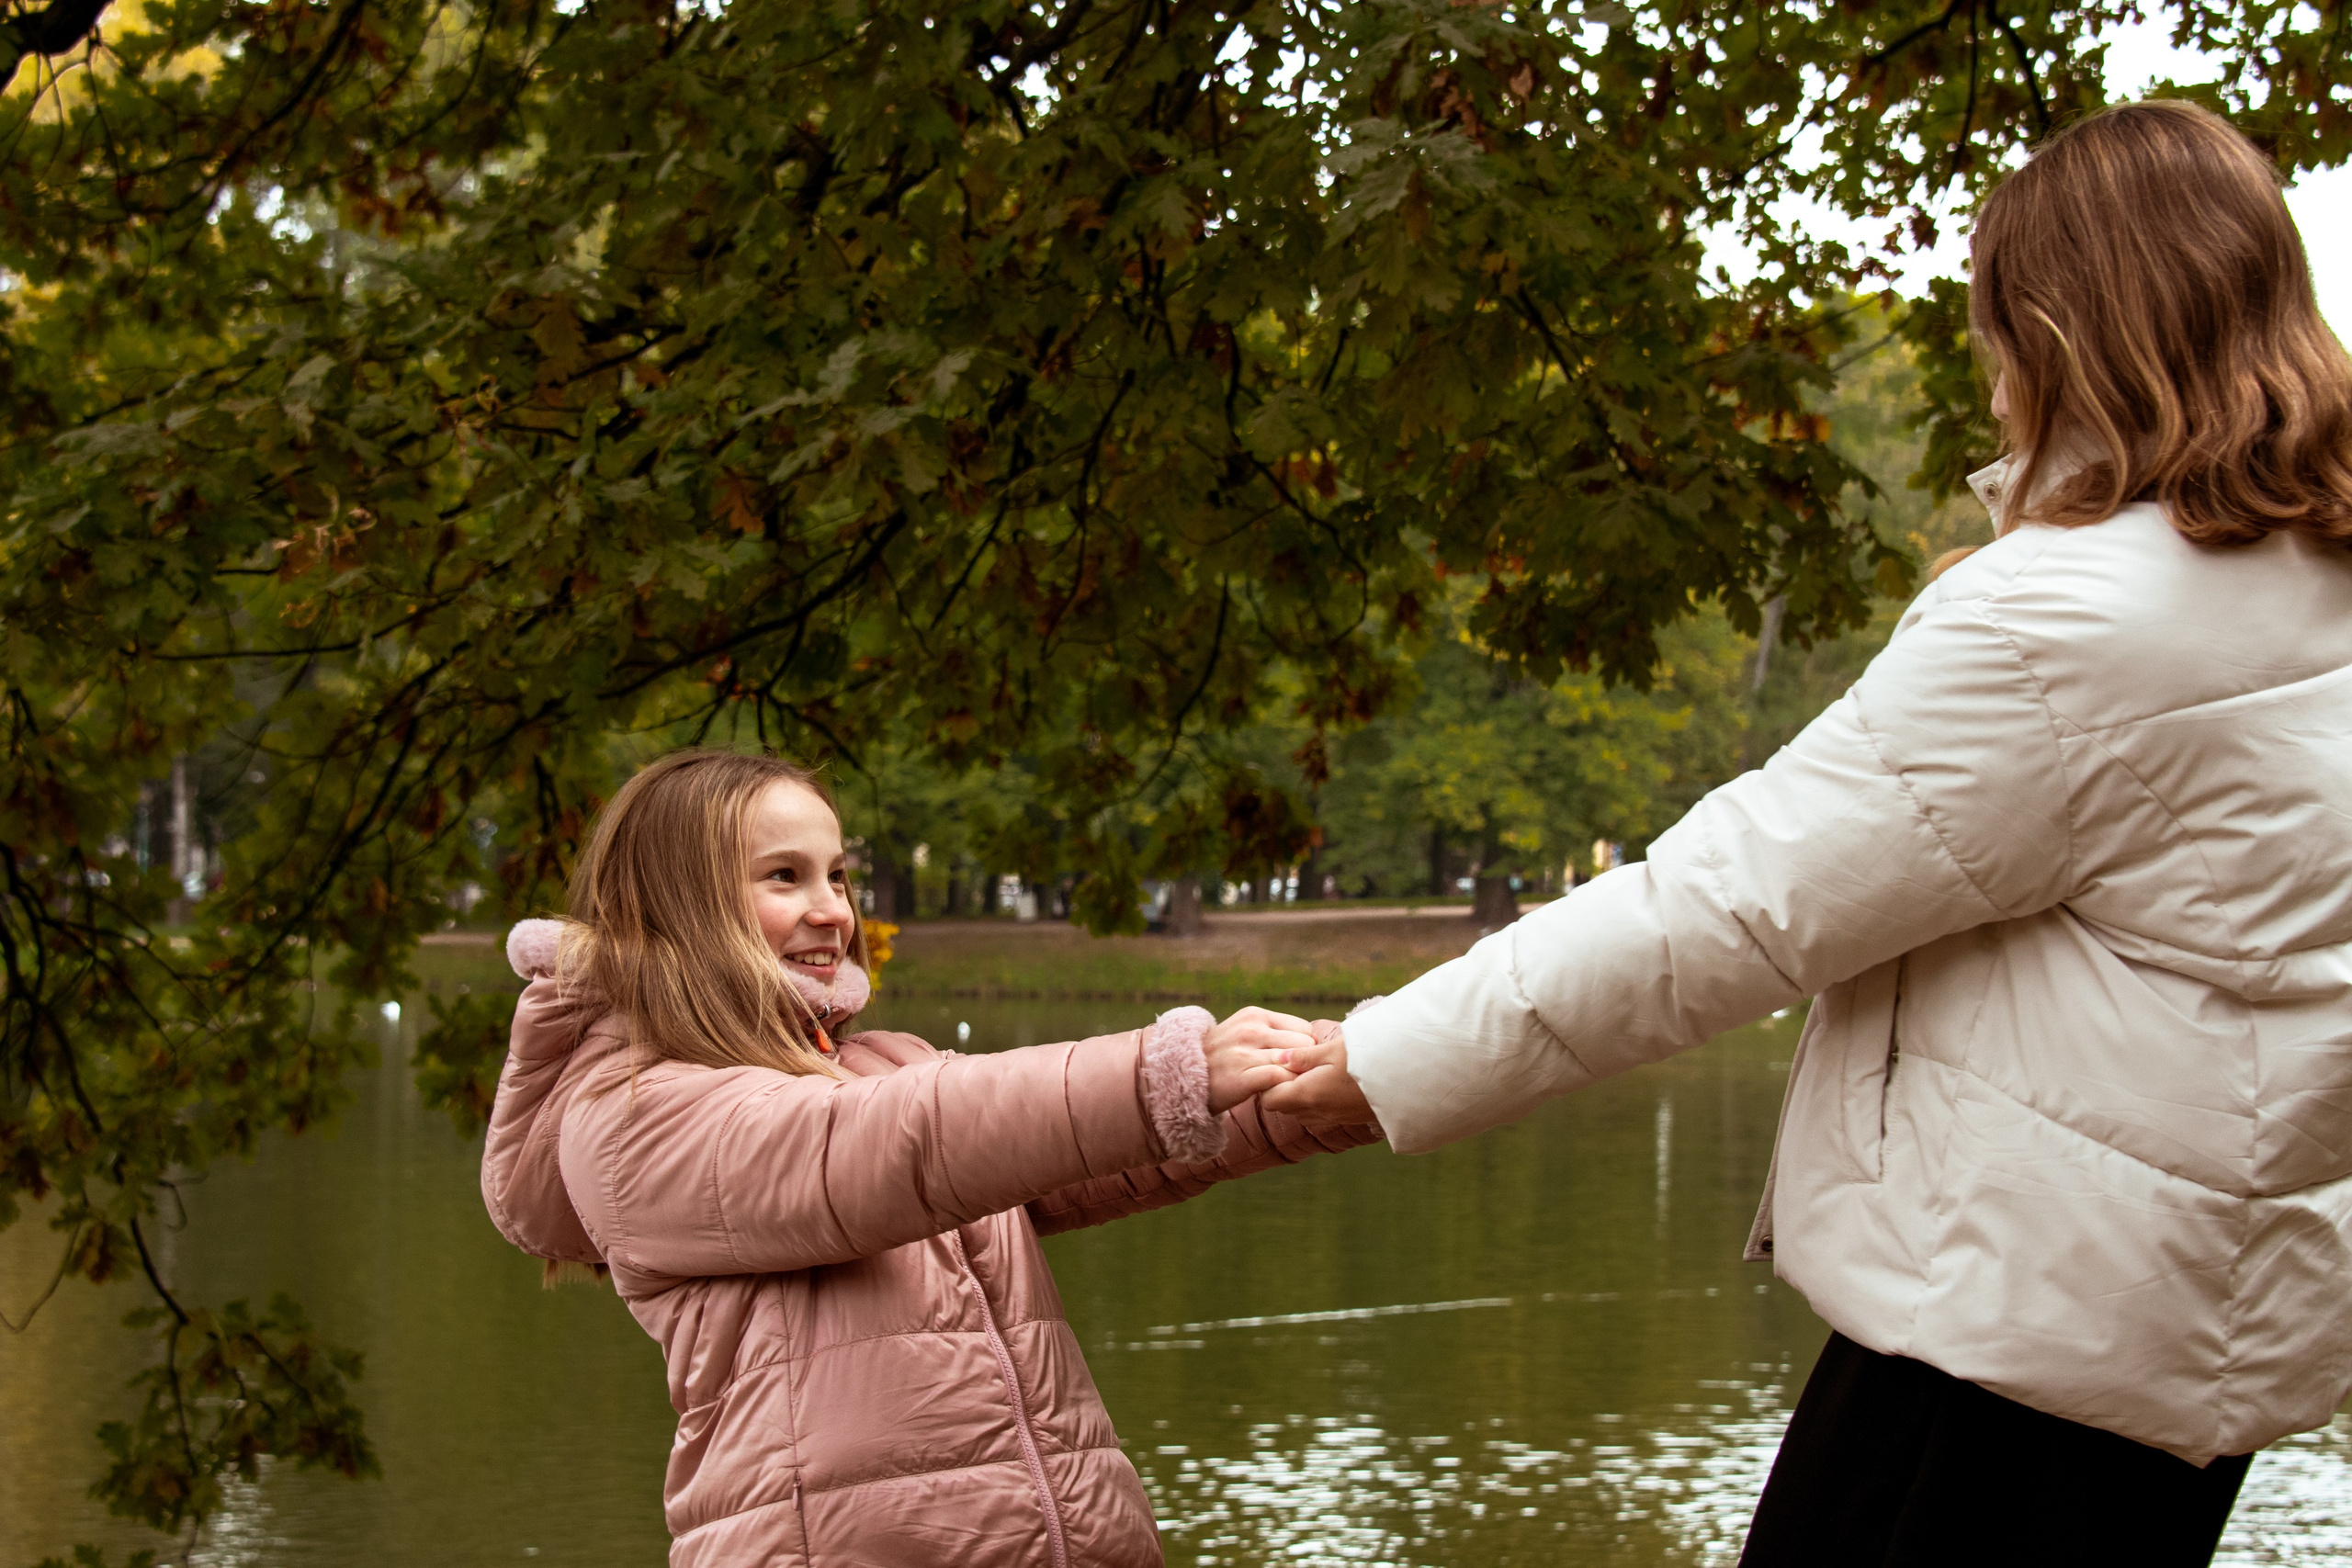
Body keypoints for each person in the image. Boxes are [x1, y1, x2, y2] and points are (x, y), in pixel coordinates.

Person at [1265, 98, 2352, 1566]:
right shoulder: (2320, 584)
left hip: (2020, 1332)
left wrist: (1384, 1061)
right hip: (2211, 1325)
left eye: (1993, 334)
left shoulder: (2060, 620)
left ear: (2053, 329)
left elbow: (1729, 904)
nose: (1989, 380)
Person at [478, 749, 1380, 1567]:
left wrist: (1315, 1092)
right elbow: (884, 1147)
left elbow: (1067, 1152)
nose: (832, 909)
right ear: (677, 902)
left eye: (838, 874)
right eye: (783, 877)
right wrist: (1159, 1073)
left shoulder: (883, 1069)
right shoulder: (636, 1112)